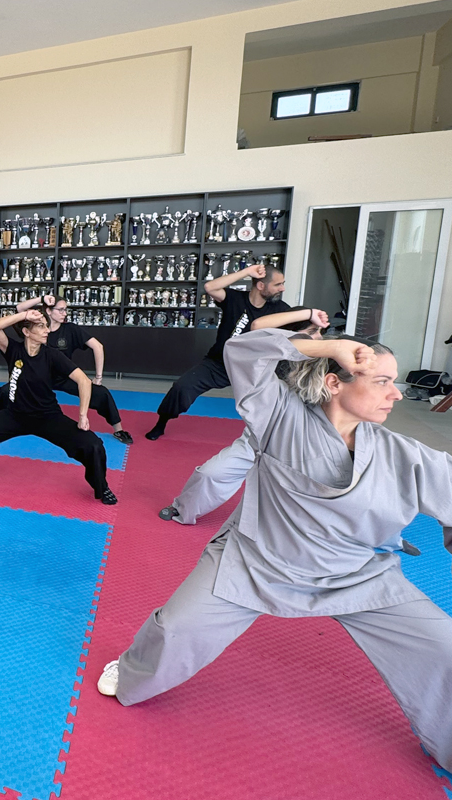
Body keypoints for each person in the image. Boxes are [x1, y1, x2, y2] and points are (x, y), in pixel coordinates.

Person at [97, 329, 452, 772]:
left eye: (394, 381)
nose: (396, 394)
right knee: (175, 630)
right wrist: (327, 346)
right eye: (381, 381)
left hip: (357, 573)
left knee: (444, 645)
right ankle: (132, 673)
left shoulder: (403, 453)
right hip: (257, 560)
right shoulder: (281, 417)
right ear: (334, 382)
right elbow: (241, 351)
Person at [160, 308, 328, 525]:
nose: (320, 339)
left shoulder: (325, 363)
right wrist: (311, 312)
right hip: (259, 437)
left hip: (302, 444)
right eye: (313, 331)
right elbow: (258, 327)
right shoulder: (273, 356)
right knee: (210, 474)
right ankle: (183, 509)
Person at [0, 308, 116, 504]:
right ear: (27, 332)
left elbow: (84, 381)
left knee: (93, 445)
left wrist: (83, 415)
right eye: (41, 326)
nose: (47, 330)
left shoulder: (52, 355)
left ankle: (101, 487)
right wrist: (24, 316)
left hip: (48, 417)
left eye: (46, 326)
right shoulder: (13, 350)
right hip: (14, 415)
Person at [145, 263, 290, 440]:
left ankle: (272, 438)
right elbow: (209, 287)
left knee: (275, 399)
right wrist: (246, 272)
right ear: (261, 285)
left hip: (253, 370)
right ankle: (162, 423)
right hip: (219, 364)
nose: (282, 288)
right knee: (181, 388)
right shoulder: (235, 298)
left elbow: (299, 324)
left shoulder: (280, 309)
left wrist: (311, 314)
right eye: (278, 284)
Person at [0, 295, 133, 444]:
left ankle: (119, 429)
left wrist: (98, 377)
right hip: (37, 377)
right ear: (49, 311)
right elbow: (19, 309)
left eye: (66, 310)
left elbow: (98, 346)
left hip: (64, 377)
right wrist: (42, 298)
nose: (65, 313)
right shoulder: (36, 325)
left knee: (101, 393)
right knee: (5, 391)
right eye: (61, 310)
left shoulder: (70, 329)